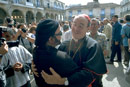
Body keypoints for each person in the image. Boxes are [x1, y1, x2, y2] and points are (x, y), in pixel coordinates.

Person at [39, 14, 107, 87]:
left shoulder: (93, 46)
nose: (76, 28)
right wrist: (37, 67)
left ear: (88, 28)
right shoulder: (64, 45)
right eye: (74, 24)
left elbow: (90, 74)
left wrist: (64, 81)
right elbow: (54, 64)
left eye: (81, 26)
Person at [33, 19, 80, 87]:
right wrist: (63, 81)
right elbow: (78, 79)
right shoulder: (62, 57)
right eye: (60, 33)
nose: (61, 36)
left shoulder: (35, 51)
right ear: (51, 39)